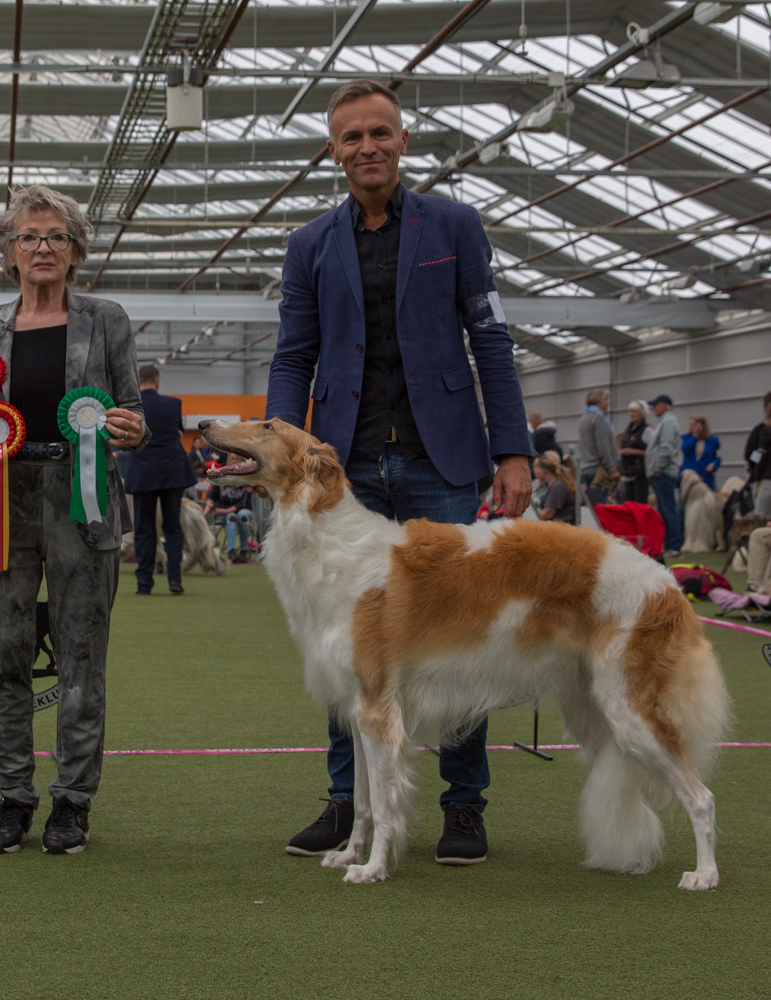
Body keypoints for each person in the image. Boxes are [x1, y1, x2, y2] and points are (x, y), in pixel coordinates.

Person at [264, 79, 533, 867]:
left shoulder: (455, 225)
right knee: (342, 641)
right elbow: (293, 354)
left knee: (456, 638)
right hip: (343, 467)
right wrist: (289, 444)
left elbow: (490, 341)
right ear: (333, 151)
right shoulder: (309, 243)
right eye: (351, 137)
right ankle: (349, 802)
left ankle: (464, 805)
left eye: (380, 132)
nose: (367, 148)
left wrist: (512, 450)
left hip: (439, 457)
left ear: (403, 141)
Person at [0, 184, 146, 855]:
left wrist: (131, 430)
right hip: (0, 498)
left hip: (84, 502)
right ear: (11, 252)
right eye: (29, 236)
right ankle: (12, 796)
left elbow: (131, 416)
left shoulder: (106, 319)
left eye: (56, 235)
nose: (42, 247)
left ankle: (73, 801)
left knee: (82, 655)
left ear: (77, 250)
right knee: (3, 652)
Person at [122, 364, 196, 595]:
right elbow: (179, 433)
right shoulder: (174, 404)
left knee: (144, 530)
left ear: (137, 382)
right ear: (158, 382)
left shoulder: (131, 408)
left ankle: (144, 583)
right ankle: (175, 579)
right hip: (172, 471)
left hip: (143, 472)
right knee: (173, 527)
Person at [645, 393, 683, 558]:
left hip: (663, 472)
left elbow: (666, 447)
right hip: (661, 472)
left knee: (668, 510)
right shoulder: (665, 422)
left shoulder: (668, 422)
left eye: (656, 405)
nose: (654, 408)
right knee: (665, 509)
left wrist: (658, 467)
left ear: (664, 406)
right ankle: (670, 544)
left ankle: (674, 545)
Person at [577, 389, 620, 505]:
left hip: (586, 469)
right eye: (606, 400)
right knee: (599, 509)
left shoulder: (583, 419)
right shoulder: (599, 419)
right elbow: (603, 447)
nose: (608, 403)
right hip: (598, 470)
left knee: (589, 508)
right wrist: (612, 469)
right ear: (598, 401)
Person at [204, 478, 256, 562]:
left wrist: (224, 511)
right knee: (231, 517)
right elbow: (211, 499)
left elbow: (242, 504)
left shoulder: (245, 481)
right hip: (225, 514)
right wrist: (203, 515)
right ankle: (231, 551)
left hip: (245, 510)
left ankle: (243, 551)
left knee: (242, 515)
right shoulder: (220, 481)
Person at [617, 400, 651, 505]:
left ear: (643, 413)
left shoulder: (648, 430)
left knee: (640, 504)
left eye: (635, 411)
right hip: (627, 472)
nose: (632, 414)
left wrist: (634, 452)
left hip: (640, 473)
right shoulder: (627, 430)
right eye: (631, 411)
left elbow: (652, 452)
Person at [745, 391, 771, 517]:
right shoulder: (759, 430)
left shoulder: (764, 432)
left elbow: (757, 455)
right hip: (762, 476)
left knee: (761, 518)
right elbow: (751, 454)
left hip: (764, 480)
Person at [534, 453, 577, 524]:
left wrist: (528, 517)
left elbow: (548, 513)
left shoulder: (558, 486)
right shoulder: (545, 485)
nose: (534, 470)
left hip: (562, 529)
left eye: (536, 467)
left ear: (544, 470)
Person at [681, 415, 721, 490]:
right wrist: (695, 436)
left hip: (705, 476)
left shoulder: (712, 440)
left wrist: (713, 464)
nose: (692, 427)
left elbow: (717, 458)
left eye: (694, 425)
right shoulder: (686, 437)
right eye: (691, 425)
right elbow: (686, 450)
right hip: (690, 476)